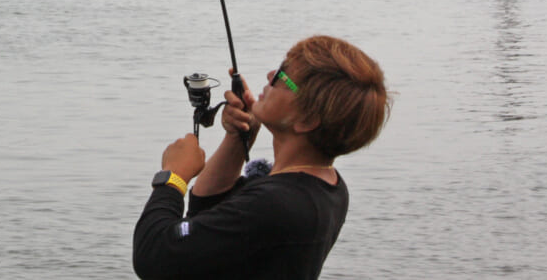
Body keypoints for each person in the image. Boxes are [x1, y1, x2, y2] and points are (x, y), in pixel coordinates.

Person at [133, 35, 390, 279]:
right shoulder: (326, 187)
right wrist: (238, 138)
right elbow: (207, 208)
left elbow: (154, 255)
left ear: (308, 119)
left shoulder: (277, 204)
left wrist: (173, 177)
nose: (270, 76)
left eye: (282, 77)